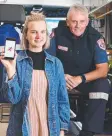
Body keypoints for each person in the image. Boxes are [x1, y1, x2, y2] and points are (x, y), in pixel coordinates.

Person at [0, 12, 70, 136]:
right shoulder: (16, 61)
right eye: (34, 32)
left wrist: (62, 129)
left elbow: (62, 99)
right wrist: (10, 69)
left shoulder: (55, 64)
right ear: (26, 35)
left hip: (50, 127)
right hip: (22, 127)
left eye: (42, 32)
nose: (39, 36)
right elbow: (12, 99)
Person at [47, 4, 110, 136]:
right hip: (60, 79)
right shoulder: (56, 33)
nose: (78, 25)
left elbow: (103, 69)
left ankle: (88, 131)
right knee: (43, 80)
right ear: (67, 21)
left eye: (82, 21)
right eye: (74, 21)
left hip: (85, 80)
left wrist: (80, 78)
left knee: (103, 84)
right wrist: (61, 76)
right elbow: (48, 61)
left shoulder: (96, 37)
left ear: (87, 22)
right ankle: (51, 126)